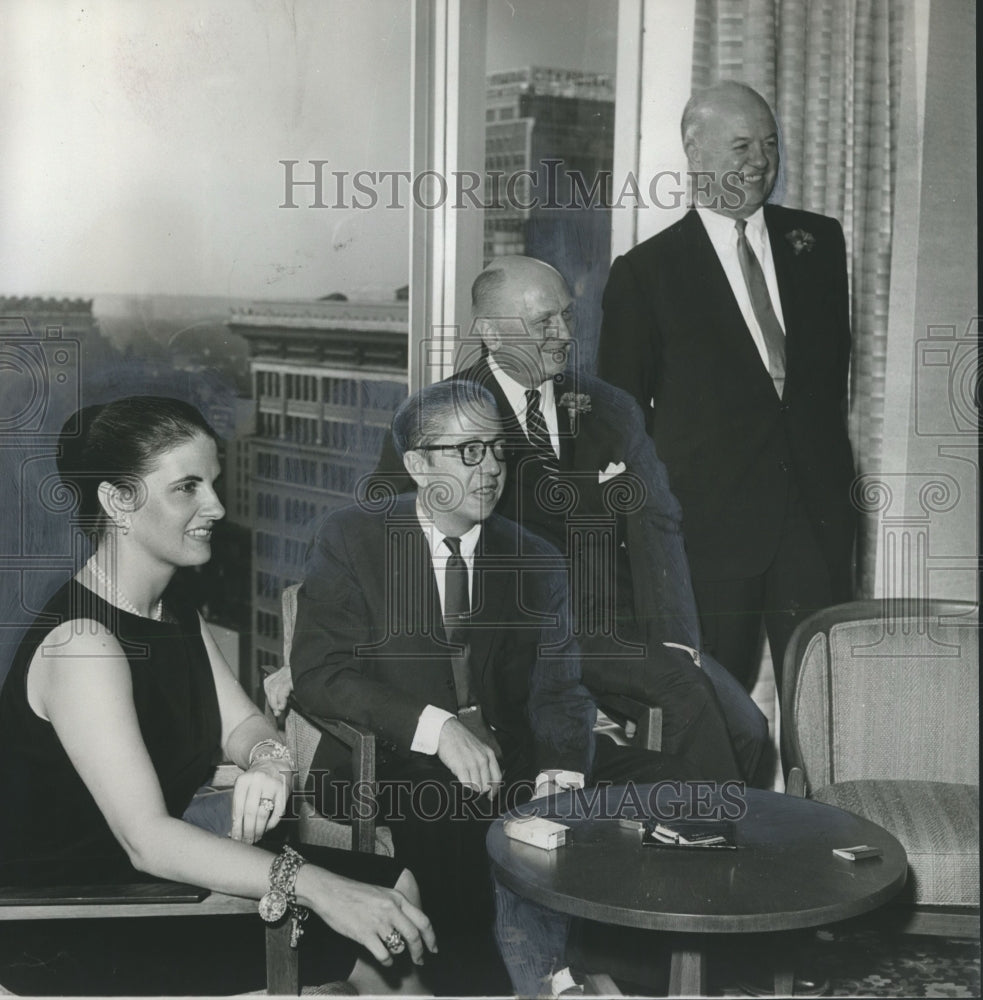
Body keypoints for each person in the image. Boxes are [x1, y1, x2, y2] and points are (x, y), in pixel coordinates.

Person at [0, 396, 435, 997]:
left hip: (157, 885)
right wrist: (314, 884)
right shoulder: (83, 645)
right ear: (117, 501)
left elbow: (245, 726)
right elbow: (146, 839)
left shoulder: (172, 609)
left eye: (213, 483)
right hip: (83, 918)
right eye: (188, 488)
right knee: (375, 954)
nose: (218, 506)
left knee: (397, 885)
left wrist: (269, 760)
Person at [290, 380, 702, 996]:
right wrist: (438, 727)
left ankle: (608, 972)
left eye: (498, 452)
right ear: (418, 464)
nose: (491, 470)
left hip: (512, 754)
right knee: (446, 801)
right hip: (388, 756)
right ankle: (482, 985)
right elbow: (321, 676)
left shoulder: (534, 558)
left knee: (673, 786)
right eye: (470, 452)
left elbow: (560, 690)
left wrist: (561, 767)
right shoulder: (352, 538)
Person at [369, 255, 768, 786]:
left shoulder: (610, 408)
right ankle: (703, 845)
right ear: (489, 332)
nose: (563, 334)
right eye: (543, 323)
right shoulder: (440, 420)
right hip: (517, 636)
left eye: (566, 316)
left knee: (749, 728)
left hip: (618, 629)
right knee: (685, 698)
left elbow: (659, 526)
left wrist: (676, 640)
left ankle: (670, 835)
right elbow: (389, 537)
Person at [598, 81, 856, 697]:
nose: (760, 162)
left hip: (816, 522)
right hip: (709, 534)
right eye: (741, 146)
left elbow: (827, 382)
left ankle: (811, 800)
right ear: (694, 149)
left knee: (823, 708)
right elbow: (620, 421)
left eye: (769, 144)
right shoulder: (645, 273)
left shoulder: (818, 243)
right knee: (715, 714)